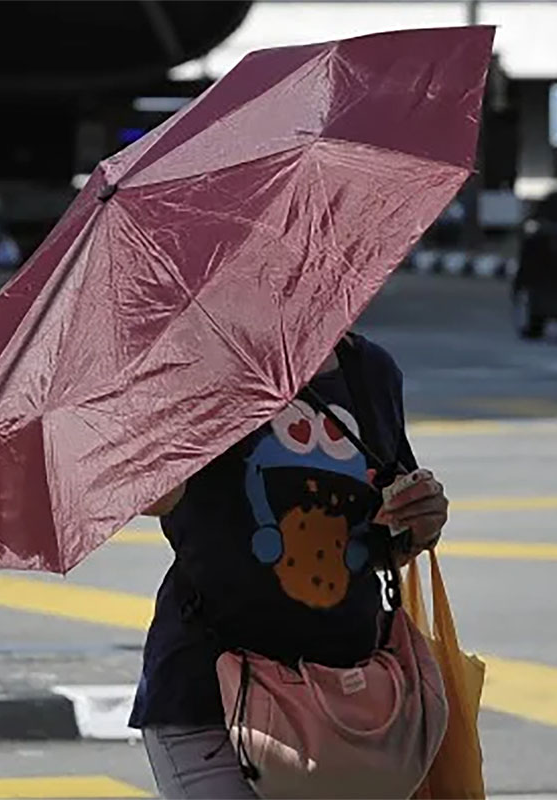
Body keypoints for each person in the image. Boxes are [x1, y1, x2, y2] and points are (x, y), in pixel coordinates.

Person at [130, 332, 449, 799]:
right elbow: (153, 496)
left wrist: (421, 517)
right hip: (212, 698)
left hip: (349, 703)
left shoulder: (369, 371)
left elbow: (387, 537)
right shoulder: (195, 366)